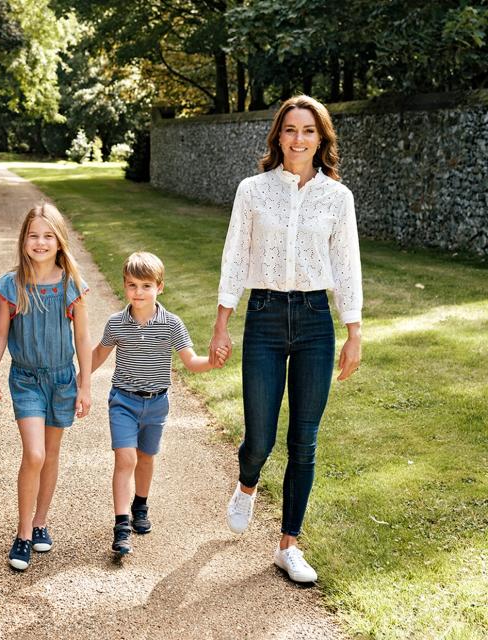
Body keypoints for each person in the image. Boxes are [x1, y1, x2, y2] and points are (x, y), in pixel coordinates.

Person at [209, 95, 363, 583]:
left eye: (309, 131)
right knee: (260, 437)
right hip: (265, 315)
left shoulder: (337, 198)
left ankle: (288, 545)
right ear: (278, 135)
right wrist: (221, 322)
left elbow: (347, 266)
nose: (299, 138)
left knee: (304, 440)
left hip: (316, 319)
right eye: (291, 129)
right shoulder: (252, 190)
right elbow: (235, 256)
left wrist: (353, 331)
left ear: (322, 139)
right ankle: (247, 483)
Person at [91, 252, 228, 556]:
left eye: (145, 286)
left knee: (146, 458)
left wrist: (212, 363)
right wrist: (78, 381)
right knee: (125, 459)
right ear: (124, 286)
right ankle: (121, 525)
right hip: (123, 401)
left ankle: (140, 505)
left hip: (156, 404)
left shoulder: (172, 324)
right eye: (131, 285)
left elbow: (191, 361)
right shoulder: (116, 324)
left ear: (159, 287)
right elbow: (98, 355)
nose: (138, 293)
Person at [0, 202, 92, 572]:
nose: (40, 242)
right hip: (27, 379)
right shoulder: (11, 285)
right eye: (33, 235)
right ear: (23, 240)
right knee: (33, 454)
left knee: (50, 453)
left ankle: (41, 521)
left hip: (63, 379)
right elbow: (0, 332)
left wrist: (85, 384)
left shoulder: (71, 286)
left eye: (48, 236)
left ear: (60, 241)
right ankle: (22, 533)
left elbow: (82, 337)